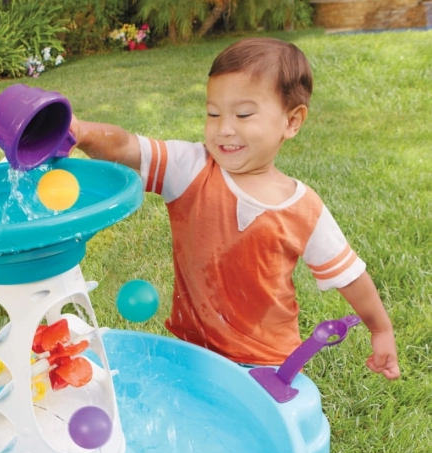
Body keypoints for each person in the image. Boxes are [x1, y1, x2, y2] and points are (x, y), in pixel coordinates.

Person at [70, 37, 400, 380]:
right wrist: (81, 132)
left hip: (269, 361)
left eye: (243, 114)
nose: (224, 128)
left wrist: (381, 330)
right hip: (194, 349)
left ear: (292, 122)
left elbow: (350, 276)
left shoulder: (305, 209)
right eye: (213, 113)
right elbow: (126, 147)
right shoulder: (191, 168)